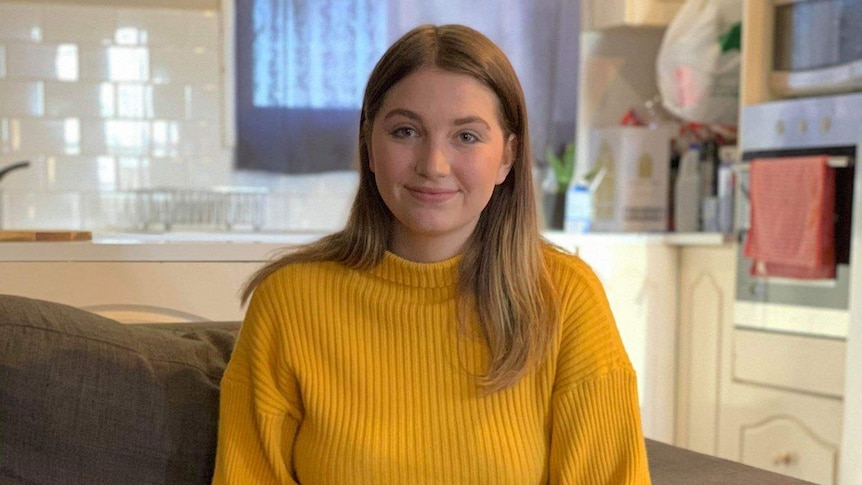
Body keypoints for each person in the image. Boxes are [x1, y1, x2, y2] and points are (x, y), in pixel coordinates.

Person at [213, 24, 651, 484]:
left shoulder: (566, 299)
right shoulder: (289, 302)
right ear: (369, 144)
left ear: (507, 156)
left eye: (466, 137)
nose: (433, 165)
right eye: (406, 131)